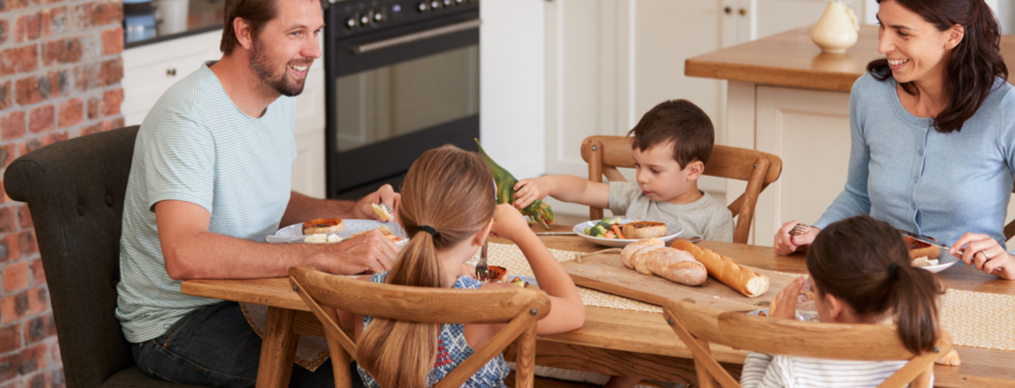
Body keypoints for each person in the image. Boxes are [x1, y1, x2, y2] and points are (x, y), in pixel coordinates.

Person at [117, 0, 400, 388]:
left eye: (316, 32)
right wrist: (324, 255)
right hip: (180, 323)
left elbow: (270, 202)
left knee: (394, 346)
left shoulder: (274, 93)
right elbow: (185, 254)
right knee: (348, 375)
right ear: (245, 32)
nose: (312, 50)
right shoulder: (189, 119)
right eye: (295, 33)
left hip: (253, 294)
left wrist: (353, 214)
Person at [773, 0, 1015, 279]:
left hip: (974, 291)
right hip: (878, 285)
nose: (882, 45)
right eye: (882, 26)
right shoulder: (870, 94)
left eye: (903, 33)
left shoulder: (1008, 111)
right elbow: (858, 196)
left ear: (952, 35)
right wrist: (819, 232)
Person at [337, 145, 585, 388]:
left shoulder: (363, 291)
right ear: (483, 233)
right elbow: (574, 311)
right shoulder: (493, 302)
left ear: (399, 215)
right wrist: (523, 233)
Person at [746, 215, 945, 387]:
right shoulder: (915, 353)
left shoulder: (795, 363)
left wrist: (773, 336)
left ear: (833, 306)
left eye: (813, 289)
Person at [514, 99, 734, 243]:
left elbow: (720, 268)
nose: (641, 178)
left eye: (655, 171)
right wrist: (547, 184)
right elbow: (583, 190)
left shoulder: (715, 219)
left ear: (693, 171)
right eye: (637, 165)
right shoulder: (635, 197)